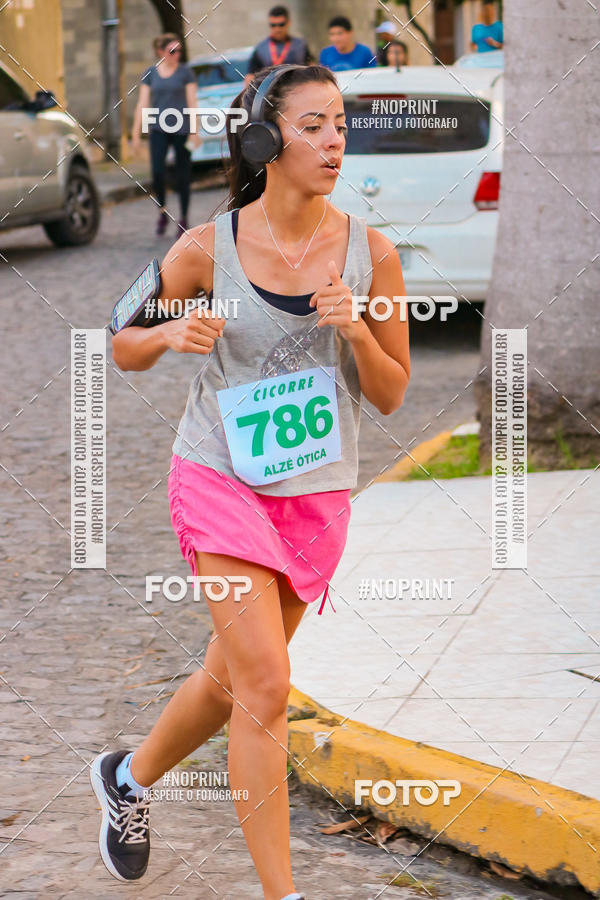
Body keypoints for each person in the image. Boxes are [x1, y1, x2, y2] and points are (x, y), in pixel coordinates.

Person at [91, 63, 410, 897]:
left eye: (340, 125)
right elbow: (120, 340)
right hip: (218, 476)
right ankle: (282, 893)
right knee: (266, 683)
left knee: (232, 678)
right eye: (314, 126)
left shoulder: (372, 255)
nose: (335, 142)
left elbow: (391, 393)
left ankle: (127, 778)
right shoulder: (207, 247)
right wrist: (168, 335)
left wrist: (357, 333)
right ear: (266, 141)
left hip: (313, 494)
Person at [132, 34, 198, 237]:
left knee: (183, 174)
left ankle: (184, 218)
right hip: (158, 129)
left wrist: (195, 131)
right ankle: (162, 211)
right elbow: (142, 103)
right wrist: (135, 133)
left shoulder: (185, 73)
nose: (177, 55)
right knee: (158, 172)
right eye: (172, 51)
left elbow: (192, 102)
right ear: (160, 52)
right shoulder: (151, 73)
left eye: (179, 51)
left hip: (182, 129)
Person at [245, 5, 312, 87]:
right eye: (273, 25)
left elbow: (311, 68)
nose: (277, 29)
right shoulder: (260, 48)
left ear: (288, 23)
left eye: (281, 24)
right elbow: (250, 77)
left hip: (298, 86)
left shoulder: (300, 45)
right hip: (270, 90)